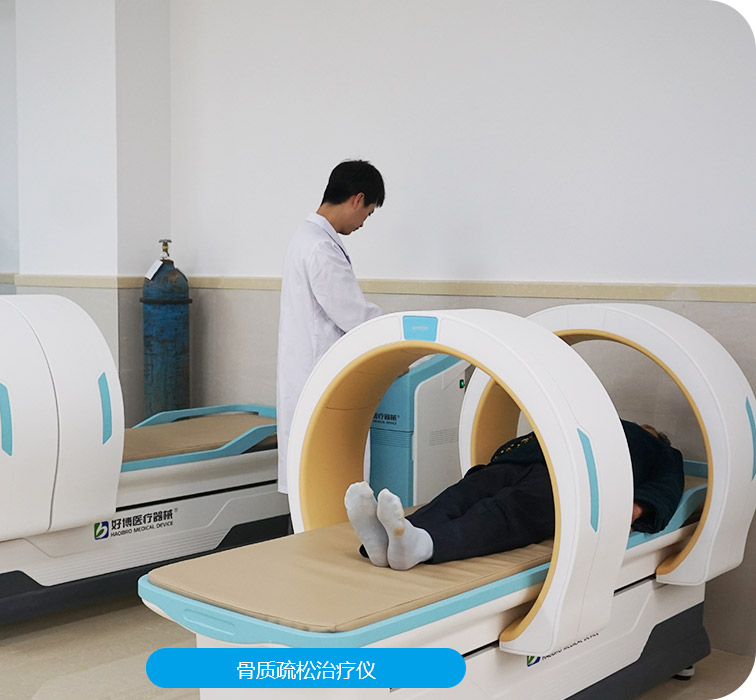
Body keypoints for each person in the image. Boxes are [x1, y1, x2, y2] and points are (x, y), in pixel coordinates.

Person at [346, 420, 685, 570]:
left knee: (508, 509)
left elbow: (667, 485)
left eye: (646, 426)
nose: (639, 425)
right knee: (463, 493)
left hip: (575, 479)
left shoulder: (657, 449)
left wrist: (635, 508)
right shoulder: (593, 421)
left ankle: (424, 546)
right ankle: (385, 541)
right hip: (525, 460)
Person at [276, 160, 386, 494]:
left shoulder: (305, 237)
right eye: (367, 213)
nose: (363, 223)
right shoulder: (321, 247)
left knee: (311, 482)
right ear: (357, 199)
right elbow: (353, 314)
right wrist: (397, 339)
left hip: (307, 374)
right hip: (321, 378)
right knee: (329, 482)